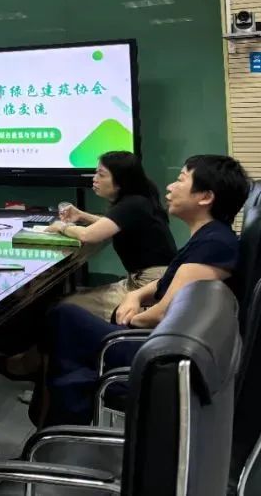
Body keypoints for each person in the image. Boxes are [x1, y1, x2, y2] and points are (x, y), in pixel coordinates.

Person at [36, 154, 250, 426]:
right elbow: (166, 282)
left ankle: (61, 420)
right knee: (68, 328)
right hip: (155, 342)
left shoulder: (214, 246)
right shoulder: (210, 237)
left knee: (63, 316)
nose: (170, 187)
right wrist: (135, 295)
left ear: (205, 197)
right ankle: (61, 414)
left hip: (156, 353)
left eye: (181, 179)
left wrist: (129, 319)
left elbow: (163, 315)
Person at [44, 151, 178, 320]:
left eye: (101, 175)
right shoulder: (138, 200)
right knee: (68, 300)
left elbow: (88, 235)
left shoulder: (132, 204)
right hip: (149, 280)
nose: (95, 179)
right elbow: (113, 224)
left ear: (121, 181)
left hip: (148, 285)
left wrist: (62, 227)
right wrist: (81, 215)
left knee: (64, 307)